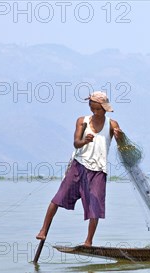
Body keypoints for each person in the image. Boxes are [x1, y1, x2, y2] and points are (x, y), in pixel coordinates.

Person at [36, 91, 123, 246]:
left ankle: (88, 241)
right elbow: (76, 143)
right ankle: (43, 230)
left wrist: (120, 137)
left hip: (98, 170)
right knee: (58, 197)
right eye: (93, 108)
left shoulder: (112, 124)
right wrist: (84, 141)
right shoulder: (82, 121)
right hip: (79, 165)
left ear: (105, 109)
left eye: (98, 109)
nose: (95, 112)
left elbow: (122, 145)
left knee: (95, 206)